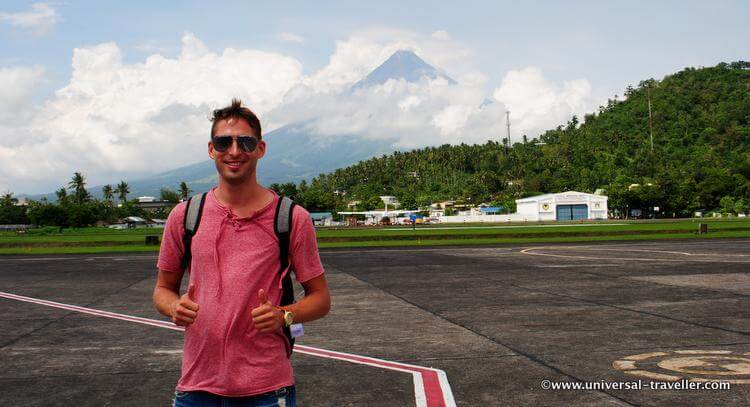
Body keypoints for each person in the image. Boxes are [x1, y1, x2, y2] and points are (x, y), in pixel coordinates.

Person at [153, 98, 331, 407]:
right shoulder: (185, 216)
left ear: (260, 149)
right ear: (211, 149)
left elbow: (320, 299)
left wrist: (284, 315)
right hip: (196, 386)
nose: (235, 152)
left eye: (246, 142)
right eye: (224, 142)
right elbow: (163, 289)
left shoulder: (290, 218)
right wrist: (173, 307)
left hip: (266, 388)